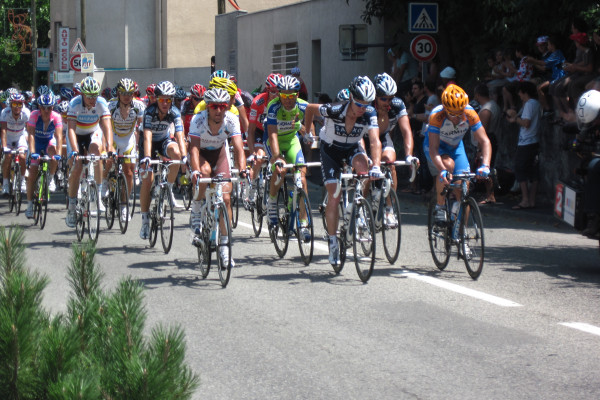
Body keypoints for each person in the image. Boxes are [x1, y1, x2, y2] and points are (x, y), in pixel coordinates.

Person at [304, 76, 383, 266]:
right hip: (330, 150)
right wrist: (308, 132)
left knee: (365, 172)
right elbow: (309, 109)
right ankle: (332, 240)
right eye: (358, 104)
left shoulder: (369, 113)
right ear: (351, 99)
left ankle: (358, 208)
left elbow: (374, 141)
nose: (362, 109)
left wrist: (377, 166)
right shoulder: (334, 110)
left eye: (366, 104)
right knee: (335, 194)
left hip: (352, 148)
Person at [188, 88, 246, 267]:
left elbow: (238, 148)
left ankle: (225, 247)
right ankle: (197, 208)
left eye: (222, 106)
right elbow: (195, 149)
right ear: (207, 107)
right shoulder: (198, 120)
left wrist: (243, 169)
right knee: (204, 171)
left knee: (226, 199)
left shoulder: (231, 119)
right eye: (215, 107)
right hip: (201, 154)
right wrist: (196, 171)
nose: (219, 110)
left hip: (220, 153)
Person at [426, 84, 492, 224]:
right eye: (453, 114)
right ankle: (440, 205)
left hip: (456, 146)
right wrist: (442, 170)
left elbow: (485, 141)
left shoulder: (470, 113)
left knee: (463, 190)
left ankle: (462, 236)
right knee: (447, 165)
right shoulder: (436, 116)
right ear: (445, 109)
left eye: (460, 112)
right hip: (438, 147)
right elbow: (433, 149)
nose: (458, 117)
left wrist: (485, 165)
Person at [264, 75, 311, 240]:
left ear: (297, 95)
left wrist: (311, 133)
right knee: (281, 170)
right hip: (274, 141)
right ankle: (272, 202)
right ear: (279, 95)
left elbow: (317, 114)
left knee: (302, 179)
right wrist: (277, 157)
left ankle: (303, 223)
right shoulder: (273, 107)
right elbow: (273, 134)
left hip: (291, 141)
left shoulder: (303, 105)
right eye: (284, 96)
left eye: (291, 96)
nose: (288, 100)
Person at [139, 81, 186, 239]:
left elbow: (179, 135)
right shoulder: (149, 112)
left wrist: (185, 156)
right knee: (148, 179)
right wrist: (146, 157)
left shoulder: (175, 112)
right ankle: (145, 220)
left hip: (164, 140)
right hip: (148, 144)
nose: (165, 103)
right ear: (156, 100)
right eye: (161, 100)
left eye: (168, 100)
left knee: (177, 153)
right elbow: (147, 135)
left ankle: (168, 188)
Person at [65, 77, 114, 228]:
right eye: (89, 96)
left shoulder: (101, 103)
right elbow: (71, 129)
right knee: (78, 166)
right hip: (76, 134)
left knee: (96, 153)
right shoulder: (74, 104)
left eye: (95, 96)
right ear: (82, 95)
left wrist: (110, 147)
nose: (92, 99)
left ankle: (98, 197)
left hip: (93, 131)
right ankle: (72, 207)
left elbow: (107, 127)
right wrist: (74, 151)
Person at [369, 73, 418, 218]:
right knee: (365, 171)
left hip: (383, 138)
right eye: (383, 98)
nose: (388, 102)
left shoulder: (397, 105)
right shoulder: (368, 105)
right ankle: (362, 206)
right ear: (375, 96)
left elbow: (406, 131)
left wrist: (409, 155)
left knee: (390, 163)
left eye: (390, 98)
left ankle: (389, 208)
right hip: (363, 138)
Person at [105, 78, 145, 222]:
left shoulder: (139, 106)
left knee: (128, 172)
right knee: (108, 161)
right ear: (118, 93)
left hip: (128, 139)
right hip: (113, 138)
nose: (127, 96)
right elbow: (105, 126)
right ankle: (104, 182)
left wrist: (141, 148)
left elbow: (142, 128)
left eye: (130, 93)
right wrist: (108, 146)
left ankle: (123, 206)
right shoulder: (110, 105)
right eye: (123, 93)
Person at [25, 92, 63, 218]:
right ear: (39, 108)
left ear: (53, 107)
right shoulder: (34, 115)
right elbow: (30, 134)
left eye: (49, 108)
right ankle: (29, 205)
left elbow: (58, 136)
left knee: (54, 151)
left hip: (48, 141)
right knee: (32, 173)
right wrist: (33, 153)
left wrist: (59, 154)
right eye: (43, 108)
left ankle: (51, 178)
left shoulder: (56, 117)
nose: (46, 110)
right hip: (36, 142)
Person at [505, 81, 541, 209]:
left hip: (526, 142)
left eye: (520, 93)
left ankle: (525, 200)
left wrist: (515, 117)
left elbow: (526, 123)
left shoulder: (530, 104)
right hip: (534, 141)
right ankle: (531, 200)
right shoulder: (535, 103)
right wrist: (514, 119)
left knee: (520, 170)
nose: (519, 95)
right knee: (533, 172)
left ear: (524, 92)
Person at [247, 73, 281, 202]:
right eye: (273, 91)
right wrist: (252, 154)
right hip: (260, 132)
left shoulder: (283, 102)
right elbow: (250, 130)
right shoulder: (258, 102)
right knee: (259, 159)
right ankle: (253, 185)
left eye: (279, 91)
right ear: (267, 90)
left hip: (275, 133)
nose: (277, 94)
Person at [574, 90, 600, 238]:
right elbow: (577, 142)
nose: (594, 123)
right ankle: (591, 217)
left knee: (594, 166)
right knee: (586, 168)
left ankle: (593, 217)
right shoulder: (591, 127)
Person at [473, 83, 502, 204]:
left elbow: (483, 131)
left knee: (485, 166)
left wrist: (480, 149)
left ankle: (490, 195)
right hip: (492, 138)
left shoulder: (486, 109)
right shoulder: (493, 105)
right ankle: (489, 194)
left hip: (487, 140)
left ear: (477, 94)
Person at [1, 93, 30, 195]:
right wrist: (4, 146)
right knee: (8, 156)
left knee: (22, 157)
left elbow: (29, 129)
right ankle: (5, 184)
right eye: (14, 104)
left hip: (20, 136)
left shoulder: (26, 113)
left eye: (19, 104)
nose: (17, 107)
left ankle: (22, 181)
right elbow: (3, 130)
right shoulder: (5, 113)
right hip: (8, 136)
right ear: (10, 105)